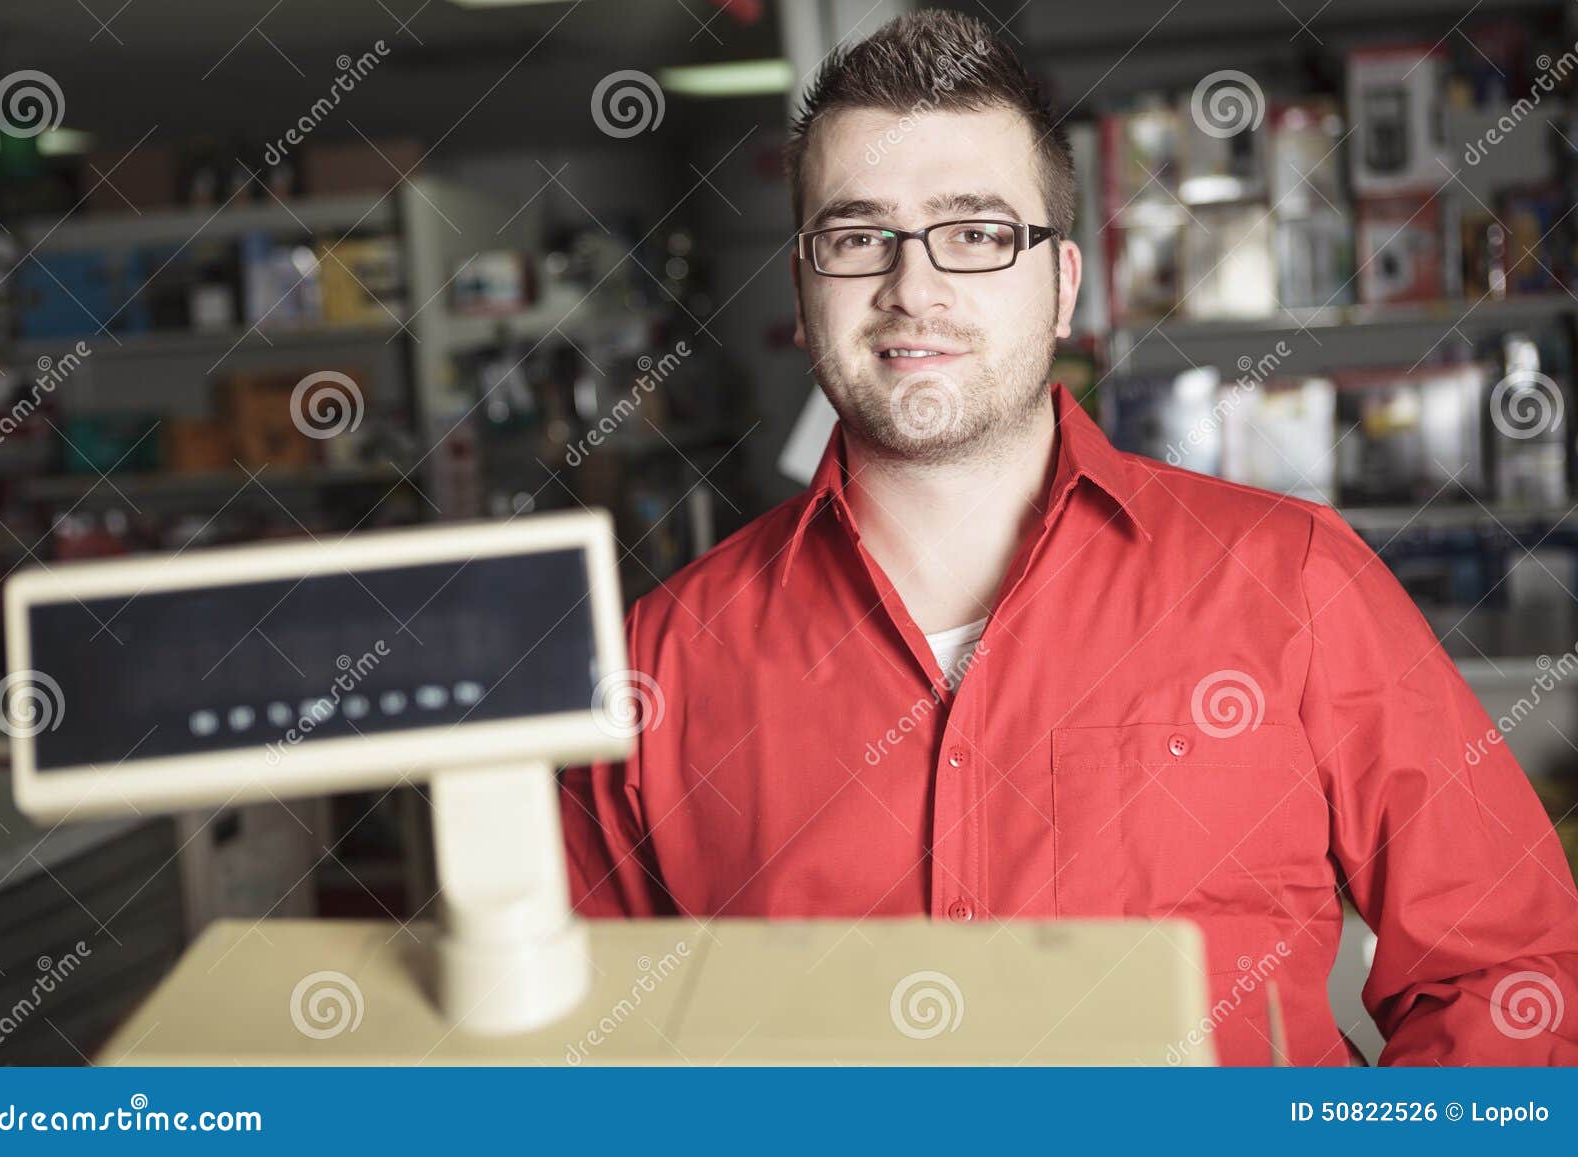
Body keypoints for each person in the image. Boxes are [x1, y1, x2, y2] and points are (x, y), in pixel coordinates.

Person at [561, 9, 1578, 1065]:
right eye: (858, 236)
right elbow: (589, 1053)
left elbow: (1507, 974)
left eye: (976, 232)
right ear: (805, 287)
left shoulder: (1293, 582)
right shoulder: (658, 665)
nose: (914, 287)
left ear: (1062, 287)